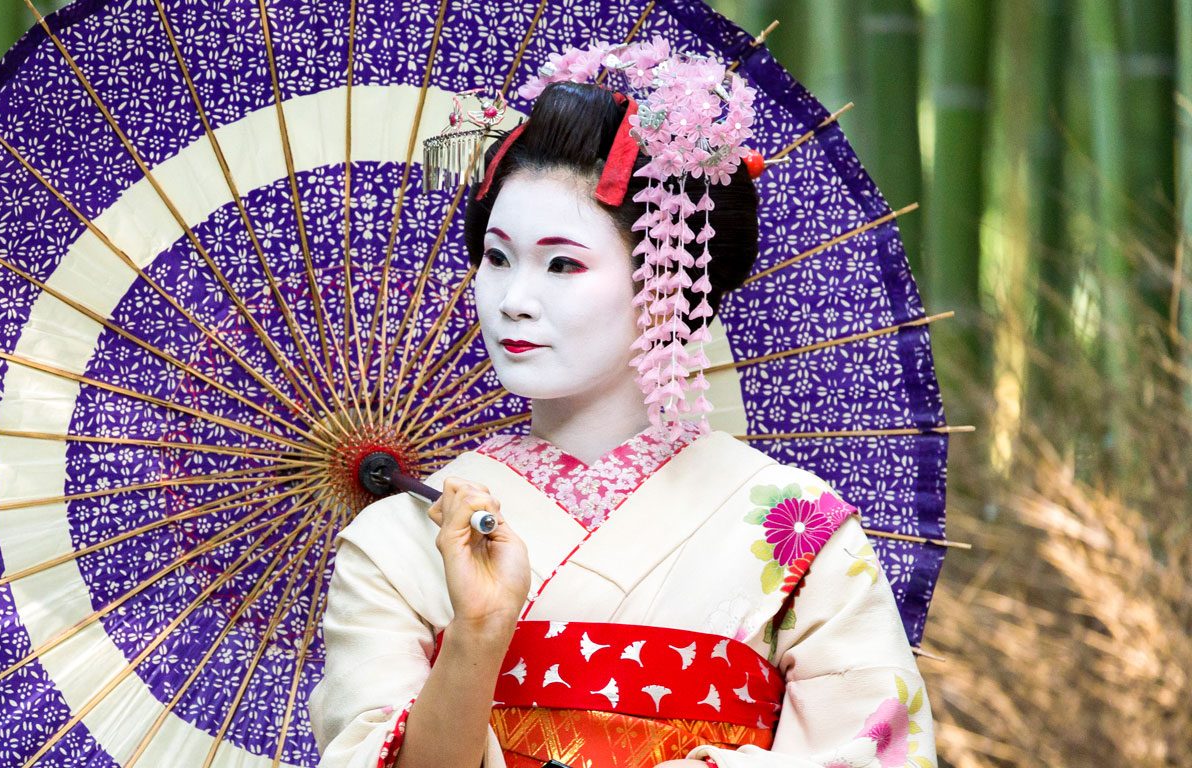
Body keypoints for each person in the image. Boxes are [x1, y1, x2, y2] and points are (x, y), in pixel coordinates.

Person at [307, 43, 936, 768]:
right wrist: (478, 633)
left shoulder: (798, 528)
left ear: (669, 280)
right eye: (497, 257)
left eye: (563, 263)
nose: (513, 300)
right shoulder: (399, 542)